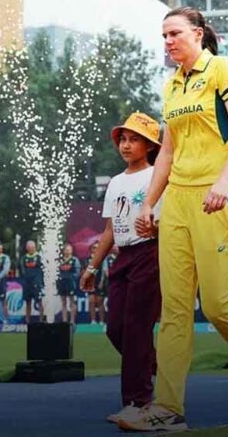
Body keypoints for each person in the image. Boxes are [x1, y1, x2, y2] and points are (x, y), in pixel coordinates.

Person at [122, 7, 228, 432]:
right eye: (163, 35)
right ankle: (168, 408)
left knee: (219, 307)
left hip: (219, 198)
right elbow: (167, 151)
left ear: (198, 34)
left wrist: (222, 182)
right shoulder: (171, 84)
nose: (168, 42)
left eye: (175, 33)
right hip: (178, 202)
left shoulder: (223, 68)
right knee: (175, 310)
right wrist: (149, 204)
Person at [79, 112, 162, 426]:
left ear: (150, 145)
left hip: (150, 253)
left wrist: (157, 230)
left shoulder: (158, 176)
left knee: (136, 329)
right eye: (123, 140)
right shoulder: (115, 182)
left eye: (134, 140)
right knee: (115, 329)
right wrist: (92, 267)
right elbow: (110, 230)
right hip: (123, 257)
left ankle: (137, 402)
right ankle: (154, 367)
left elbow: (168, 220)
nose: (126, 145)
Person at [19, 240, 44, 324]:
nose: (31, 249)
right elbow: (22, 270)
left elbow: (43, 270)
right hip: (27, 283)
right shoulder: (23, 258)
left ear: (35, 247)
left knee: (39, 301)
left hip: (37, 283)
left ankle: (41, 320)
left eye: (32, 247)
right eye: (29, 247)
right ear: (26, 248)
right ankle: (27, 320)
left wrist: (41, 282)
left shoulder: (39, 257)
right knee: (28, 302)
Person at [57, 243, 80, 324]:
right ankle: (64, 320)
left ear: (71, 251)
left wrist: (72, 279)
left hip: (71, 283)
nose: (67, 251)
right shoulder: (60, 260)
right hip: (61, 283)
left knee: (72, 302)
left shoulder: (74, 260)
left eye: (69, 250)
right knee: (63, 302)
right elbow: (57, 271)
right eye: (66, 250)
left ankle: (72, 320)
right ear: (63, 251)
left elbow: (77, 272)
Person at [84, 242, 106, 325]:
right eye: (94, 247)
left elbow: (104, 271)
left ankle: (102, 321)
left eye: (97, 247)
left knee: (100, 302)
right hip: (90, 284)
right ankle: (93, 321)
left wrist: (101, 282)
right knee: (91, 301)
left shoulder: (102, 258)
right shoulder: (87, 259)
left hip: (100, 282)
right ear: (91, 249)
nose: (95, 249)